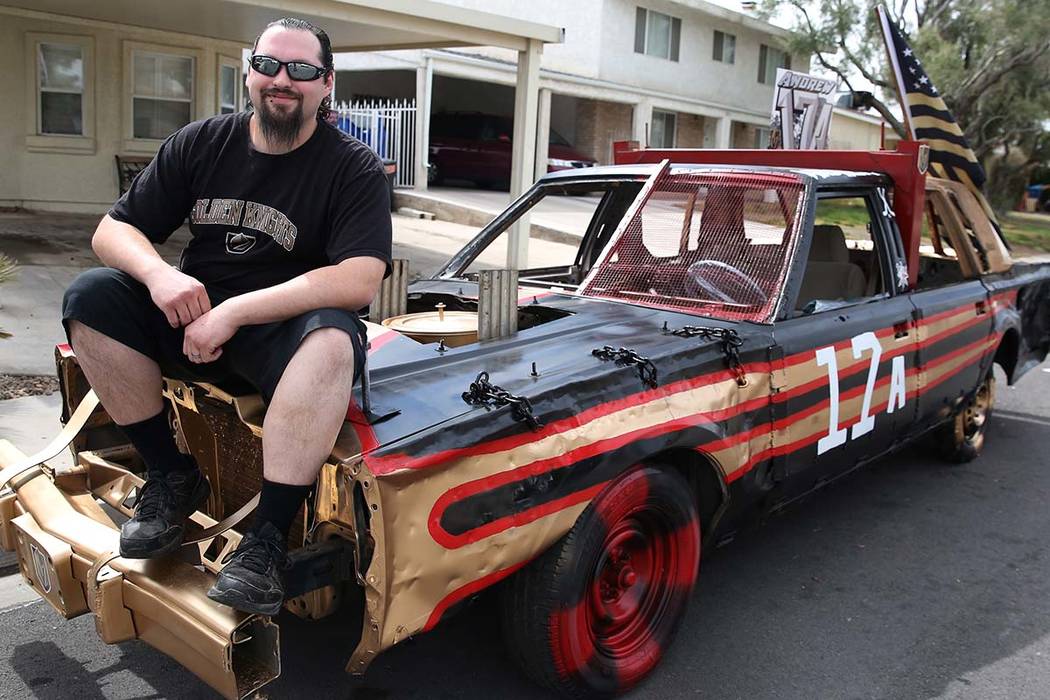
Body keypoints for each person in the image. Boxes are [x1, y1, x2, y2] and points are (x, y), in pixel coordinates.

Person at [60, 17, 391, 616]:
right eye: (268, 65)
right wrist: (162, 277)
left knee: (334, 340)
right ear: (248, 72)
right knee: (91, 297)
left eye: (302, 70)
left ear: (326, 85)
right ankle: (169, 475)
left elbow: (359, 277)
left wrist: (235, 311)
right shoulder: (201, 142)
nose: (281, 80)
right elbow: (114, 230)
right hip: (193, 317)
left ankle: (265, 540)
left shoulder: (352, 167)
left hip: (280, 334)